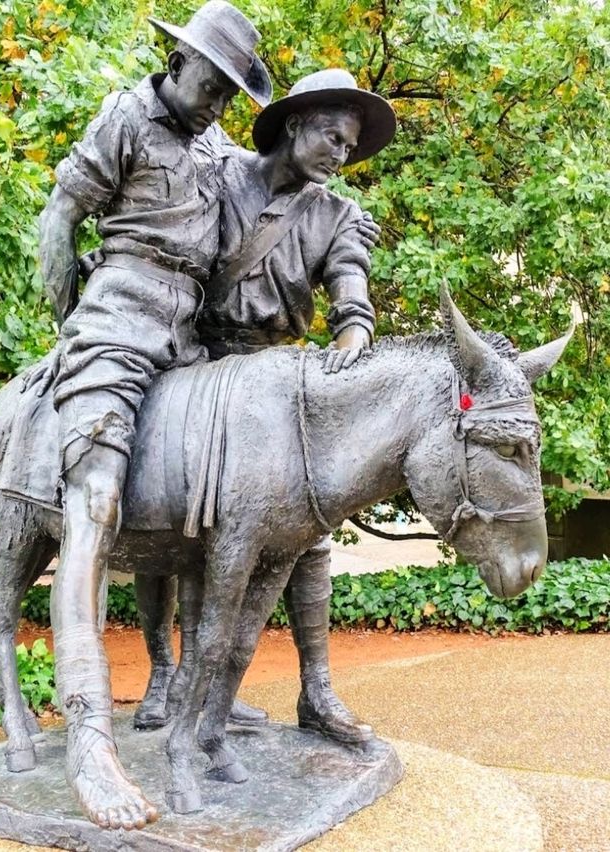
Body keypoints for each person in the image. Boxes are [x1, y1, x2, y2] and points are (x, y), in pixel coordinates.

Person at [37, 1, 272, 830]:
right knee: (93, 507)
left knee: (232, 507)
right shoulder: (127, 116)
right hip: (119, 319)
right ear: (178, 65)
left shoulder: (219, 147)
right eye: (211, 84)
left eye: (228, 94)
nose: (214, 103)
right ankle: (90, 739)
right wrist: (73, 329)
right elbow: (62, 218)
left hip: (194, 343)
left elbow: (275, 189)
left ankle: (204, 711)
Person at [136, 68, 396, 746]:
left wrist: (354, 336)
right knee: (163, 512)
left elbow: (349, 285)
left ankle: (316, 691)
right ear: (295, 124)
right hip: (189, 357)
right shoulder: (220, 172)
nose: (341, 156)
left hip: (269, 382)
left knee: (307, 528)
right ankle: (167, 675)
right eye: (334, 138)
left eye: (350, 148)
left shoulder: (336, 215)